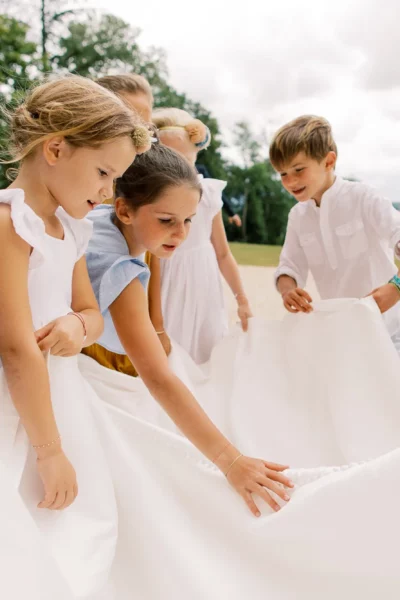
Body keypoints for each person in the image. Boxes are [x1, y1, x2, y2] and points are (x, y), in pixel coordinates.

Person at [0, 74, 150, 598]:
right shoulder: (9, 222)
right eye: (104, 173)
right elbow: (16, 347)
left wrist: (76, 325)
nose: (108, 192)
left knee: (80, 524)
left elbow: (92, 314)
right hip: (20, 408)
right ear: (57, 149)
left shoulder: (72, 228)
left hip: (63, 399)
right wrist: (48, 449)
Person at [82, 141, 292, 514]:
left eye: (189, 220)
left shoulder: (103, 221)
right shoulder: (119, 270)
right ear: (124, 209)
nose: (181, 233)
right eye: (167, 221)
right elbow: (158, 378)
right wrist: (230, 461)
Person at [270, 115, 400, 349]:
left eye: (299, 169)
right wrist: (288, 290)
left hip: (392, 328)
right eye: (283, 173)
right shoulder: (297, 216)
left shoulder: (365, 197)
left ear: (329, 162)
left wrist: (397, 286)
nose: (290, 181)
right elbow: (289, 266)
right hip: (344, 332)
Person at [152, 107, 252, 363]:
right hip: (164, 283)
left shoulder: (207, 195)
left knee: (206, 352)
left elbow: (223, 253)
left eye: (185, 159)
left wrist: (242, 300)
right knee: (167, 353)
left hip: (202, 283)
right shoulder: (148, 197)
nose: (178, 168)